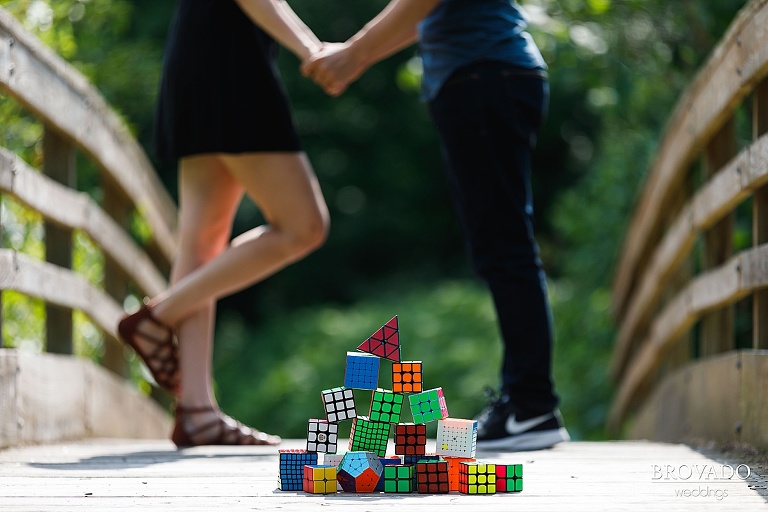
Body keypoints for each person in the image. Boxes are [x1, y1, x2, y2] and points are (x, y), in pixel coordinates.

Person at [302, 0, 569, 450]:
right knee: (499, 244)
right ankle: (527, 402)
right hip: (486, 75)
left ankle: (531, 404)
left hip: (482, 75)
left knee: (504, 245)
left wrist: (354, 53)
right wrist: (358, 56)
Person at [117, 0, 330, 447]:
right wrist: (310, 48)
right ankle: (158, 317)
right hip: (232, 70)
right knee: (304, 226)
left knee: (202, 246)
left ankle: (197, 411)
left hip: (201, 57)